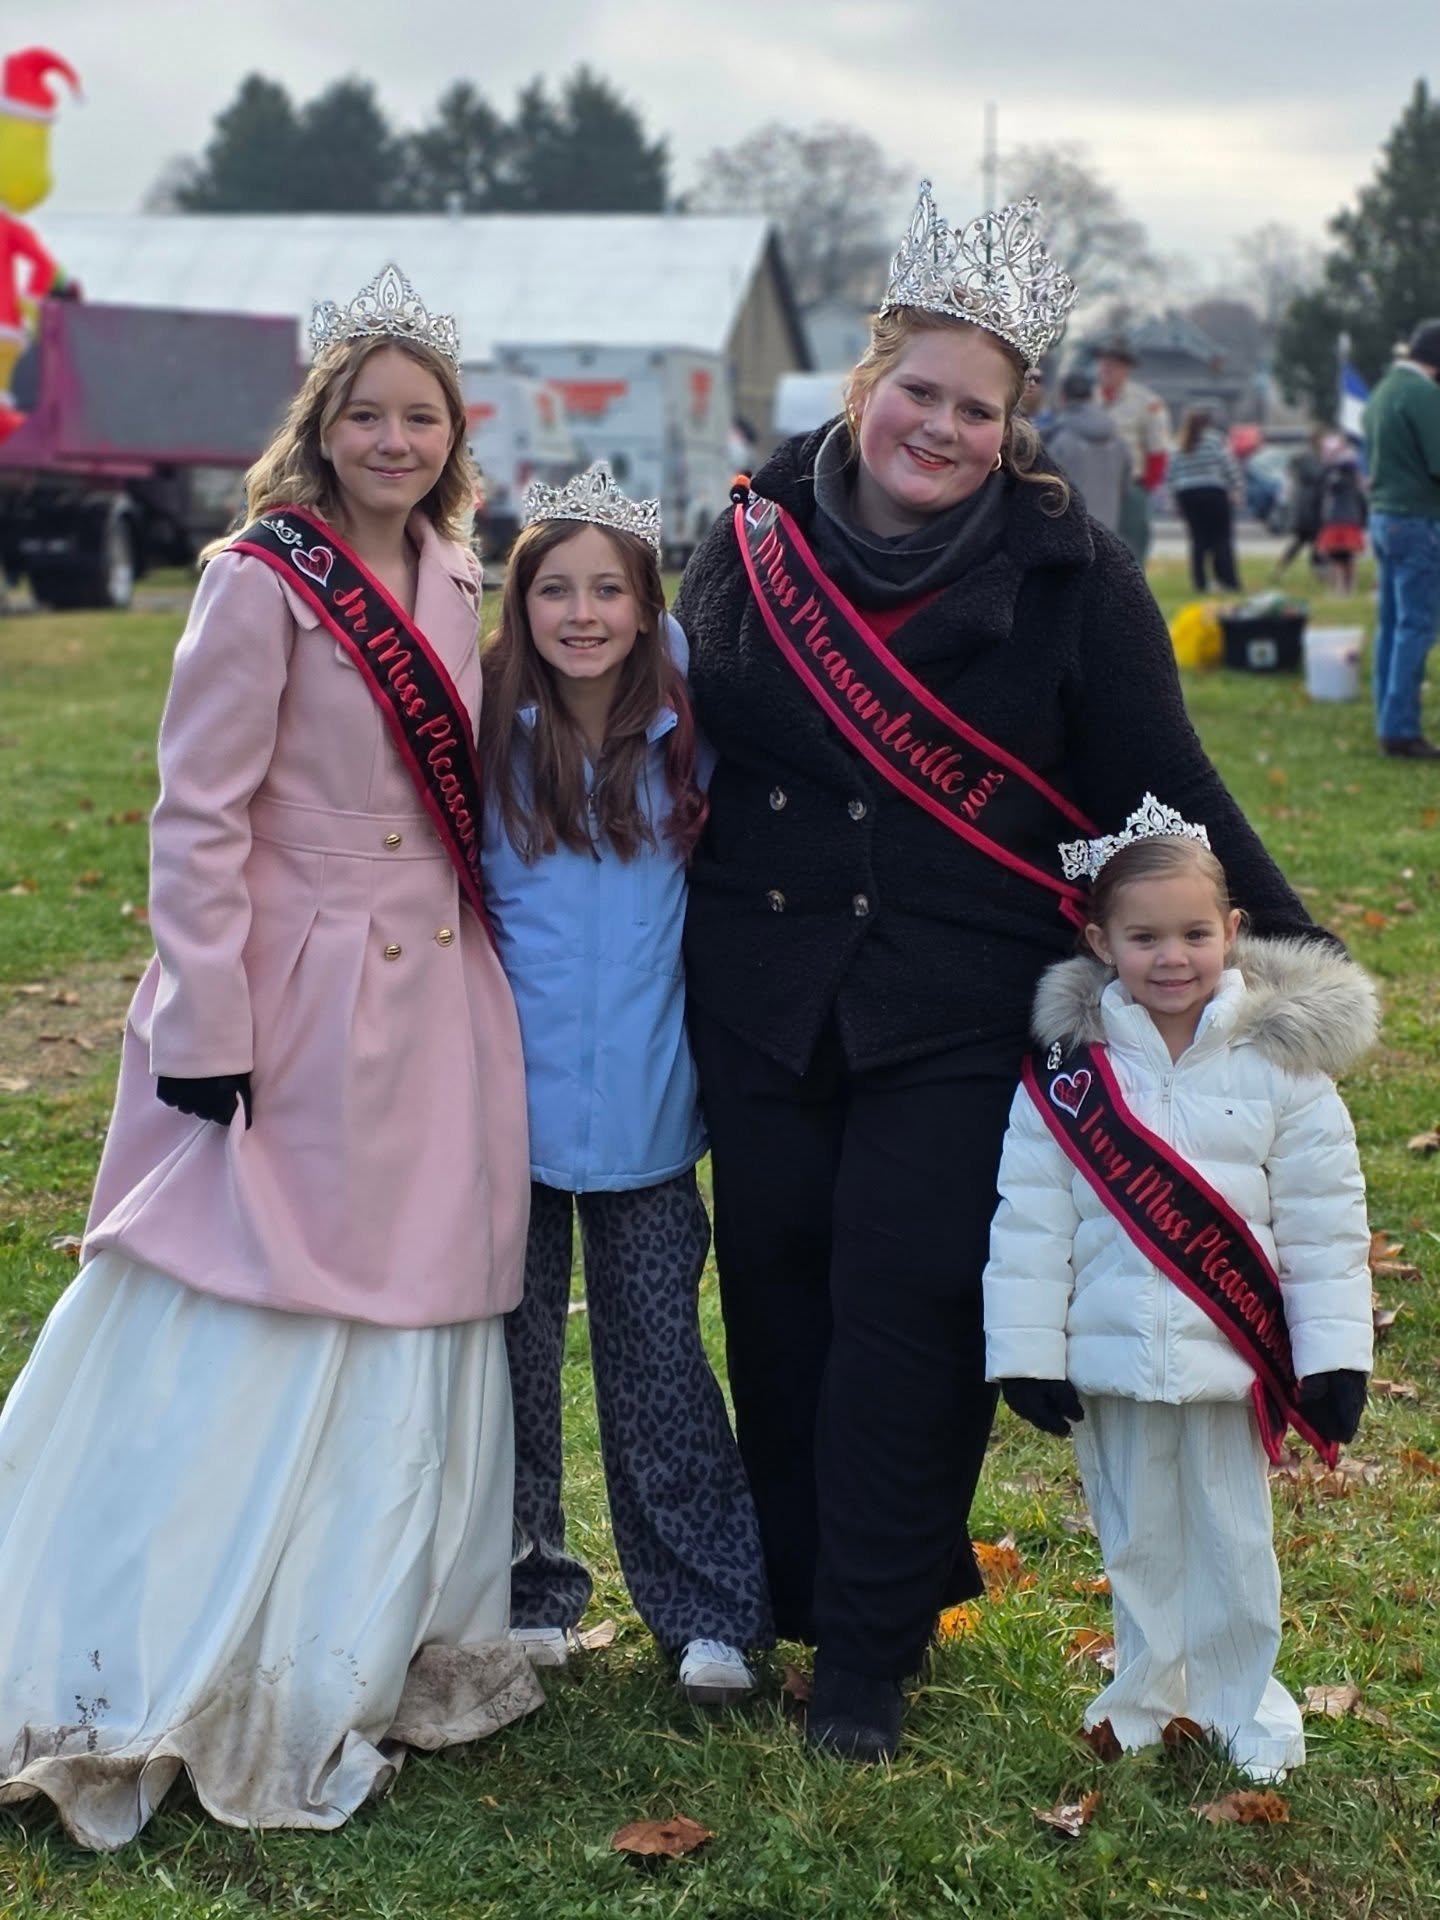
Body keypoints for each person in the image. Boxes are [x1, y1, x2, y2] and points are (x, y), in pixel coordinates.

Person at [674, 180, 1328, 1764]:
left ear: (1016, 422)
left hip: (957, 1004)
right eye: (920, 391)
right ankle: (802, 1591)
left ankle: (872, 1654)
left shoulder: (1071, 573)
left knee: (906, 1306)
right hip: (758, 984)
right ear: (866, 382)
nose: (942, 427)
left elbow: (1160, 785)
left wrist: (1293, 958)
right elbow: (652, 745)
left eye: (979, 407)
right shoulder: (746, 538)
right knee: (775, 1300)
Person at [0, 265, 541, 1849]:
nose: (392, 439)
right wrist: (210, 1027)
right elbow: (197, 816)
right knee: (255, 1275)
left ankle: (363, 1623)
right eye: (364, 414)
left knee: (421, 1283)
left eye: (419, 417)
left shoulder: (455, 570)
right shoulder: (259, 577)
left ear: (453, 438)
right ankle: (187, 1629)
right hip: (299, 986)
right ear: (322, 425)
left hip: (434, 980)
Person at [983, 820, 1374, 1779]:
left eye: (1195, 934)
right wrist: (1027, 1354)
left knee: (1235, 1547)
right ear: (1099, 942)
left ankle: (1246, 1709)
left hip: (1231, 1358)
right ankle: (1146, 1699)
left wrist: (1335, 1355)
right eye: (1145, 937)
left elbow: (1326, 1221)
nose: (1172, 957)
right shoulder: (1068, 1077)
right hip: (1111, 1357)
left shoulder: (1283, 1066)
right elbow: (1030, 1223)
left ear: (1233, 930)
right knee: (1136, 1540)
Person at [479, 461, 772, 1705]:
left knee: (660, 1362)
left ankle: (707, 1608)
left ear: (654, 610)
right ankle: (527, 1586)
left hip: (652, 1116)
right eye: (556, 589)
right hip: (507, 1119)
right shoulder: (487, 725)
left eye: (610, 590)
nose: (584, 613)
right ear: (521, 602)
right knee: (511, 1363)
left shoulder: (688, 721)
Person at [1363, 318, 1440, 757]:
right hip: (1419, 520)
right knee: (1417, 626)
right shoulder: (1424, 395)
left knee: (1392, 625)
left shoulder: (1383, 391)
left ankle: (1388, 719)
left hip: (1384, 516)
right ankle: (1402, 730)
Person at [1095, 336, 1170, 565]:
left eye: (1114, 364)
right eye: (1104, 362)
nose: (1107, 368)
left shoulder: (1146, 402)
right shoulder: (1088, 398)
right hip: (1093, 485)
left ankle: (1134, 598)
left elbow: (1157, 449)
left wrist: (1145, 487)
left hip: (1130, 485)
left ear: (1126, 368)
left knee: (1132, 549)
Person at [1168, 407, 1242, 594]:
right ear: (1208, 423)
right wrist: (1236, 487)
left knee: (1198, 540)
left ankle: (1200, 583)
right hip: (1213, 490)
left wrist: (1175, 499)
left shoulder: (1179, 443)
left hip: (1187, 494)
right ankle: (1228, 580)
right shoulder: (1214, 440)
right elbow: (1228, 464)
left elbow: (1171, 474)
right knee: (1222, 538)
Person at [1045, 369, 1129, 534]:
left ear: (1062, 397)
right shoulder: (1118, 441)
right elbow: (1124, 486)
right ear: (1091, 397)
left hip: (1069, 531)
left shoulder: (1058, 439)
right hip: (1108, 530)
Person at [1313, 434, 1368, 595]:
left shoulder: (1343, 474)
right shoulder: (1339, 474)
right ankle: (1340, 587)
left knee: (1342, 557)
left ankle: (1344, 588)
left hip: (1343, 519)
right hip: (1339, 519)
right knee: (1338, 557)